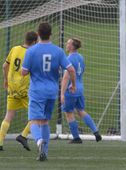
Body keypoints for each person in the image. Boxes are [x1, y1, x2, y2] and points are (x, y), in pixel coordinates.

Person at [21, 22, 76, 161]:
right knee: (44, 121)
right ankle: (44, 153)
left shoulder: (31, 51)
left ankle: (39, 141)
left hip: (37, 91)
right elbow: (71, 69)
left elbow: (24, 72)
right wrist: (73, 85)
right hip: (52, 92)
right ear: (51, 34)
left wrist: (28, 69)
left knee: (34, 121)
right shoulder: (58, 51)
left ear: (38, 34)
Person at [0, 31, 38, 151]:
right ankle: (23, 135)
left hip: (12, 88)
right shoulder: (32, 53)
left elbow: (5, 66)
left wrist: (5, 80)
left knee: (8, 116)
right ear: (34, 41)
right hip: (26, 89)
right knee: (38, 114)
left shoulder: (14, 49)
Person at [61, 38, 102, 144]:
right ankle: (96, 132)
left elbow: (66, 77)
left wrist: (62, 93)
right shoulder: (81, 57)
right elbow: (82, 70)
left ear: (73, 47)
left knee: (69, 112)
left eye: (69, 43)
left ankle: (76, 137)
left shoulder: (68, 59)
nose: (67, 44)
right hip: (80, 88)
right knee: (80, 110)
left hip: (71, 89)